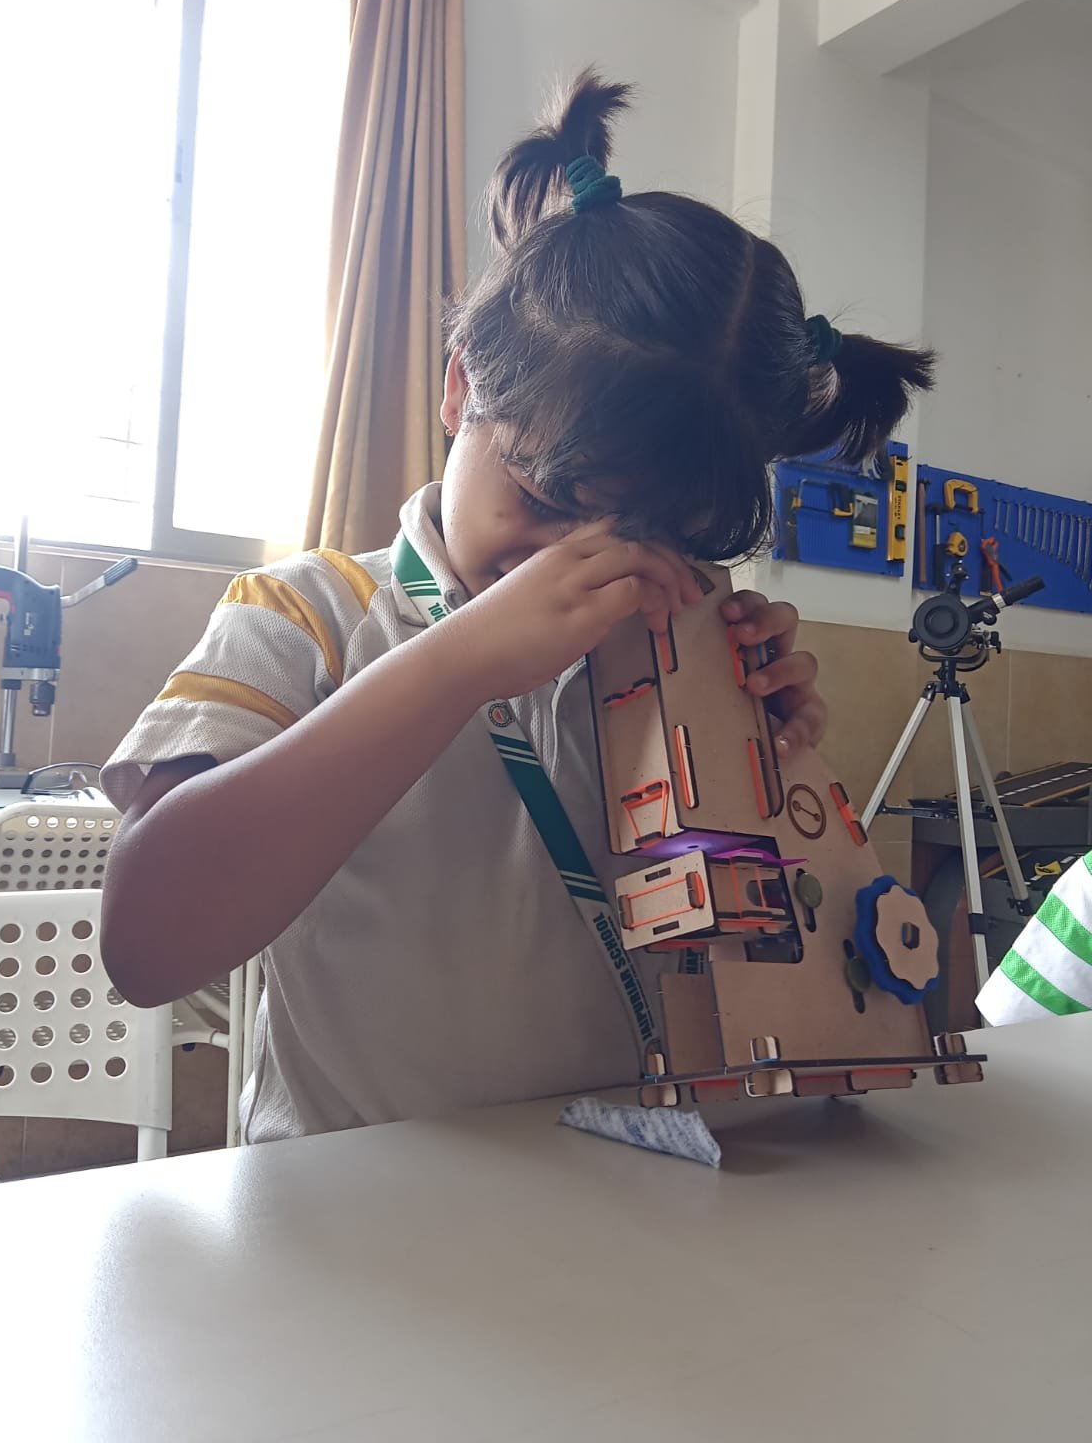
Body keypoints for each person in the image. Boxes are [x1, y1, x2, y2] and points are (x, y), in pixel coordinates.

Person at [100, 70, 934, 1142]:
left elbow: (766, 974)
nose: (574, 564)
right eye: (544, 500)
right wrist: (460, 661)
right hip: (359, 1208)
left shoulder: (659, 649)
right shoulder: (308, 615)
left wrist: (760, 768)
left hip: (621, 1191)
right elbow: (147, 948)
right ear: (459, 389)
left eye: (652, 535)